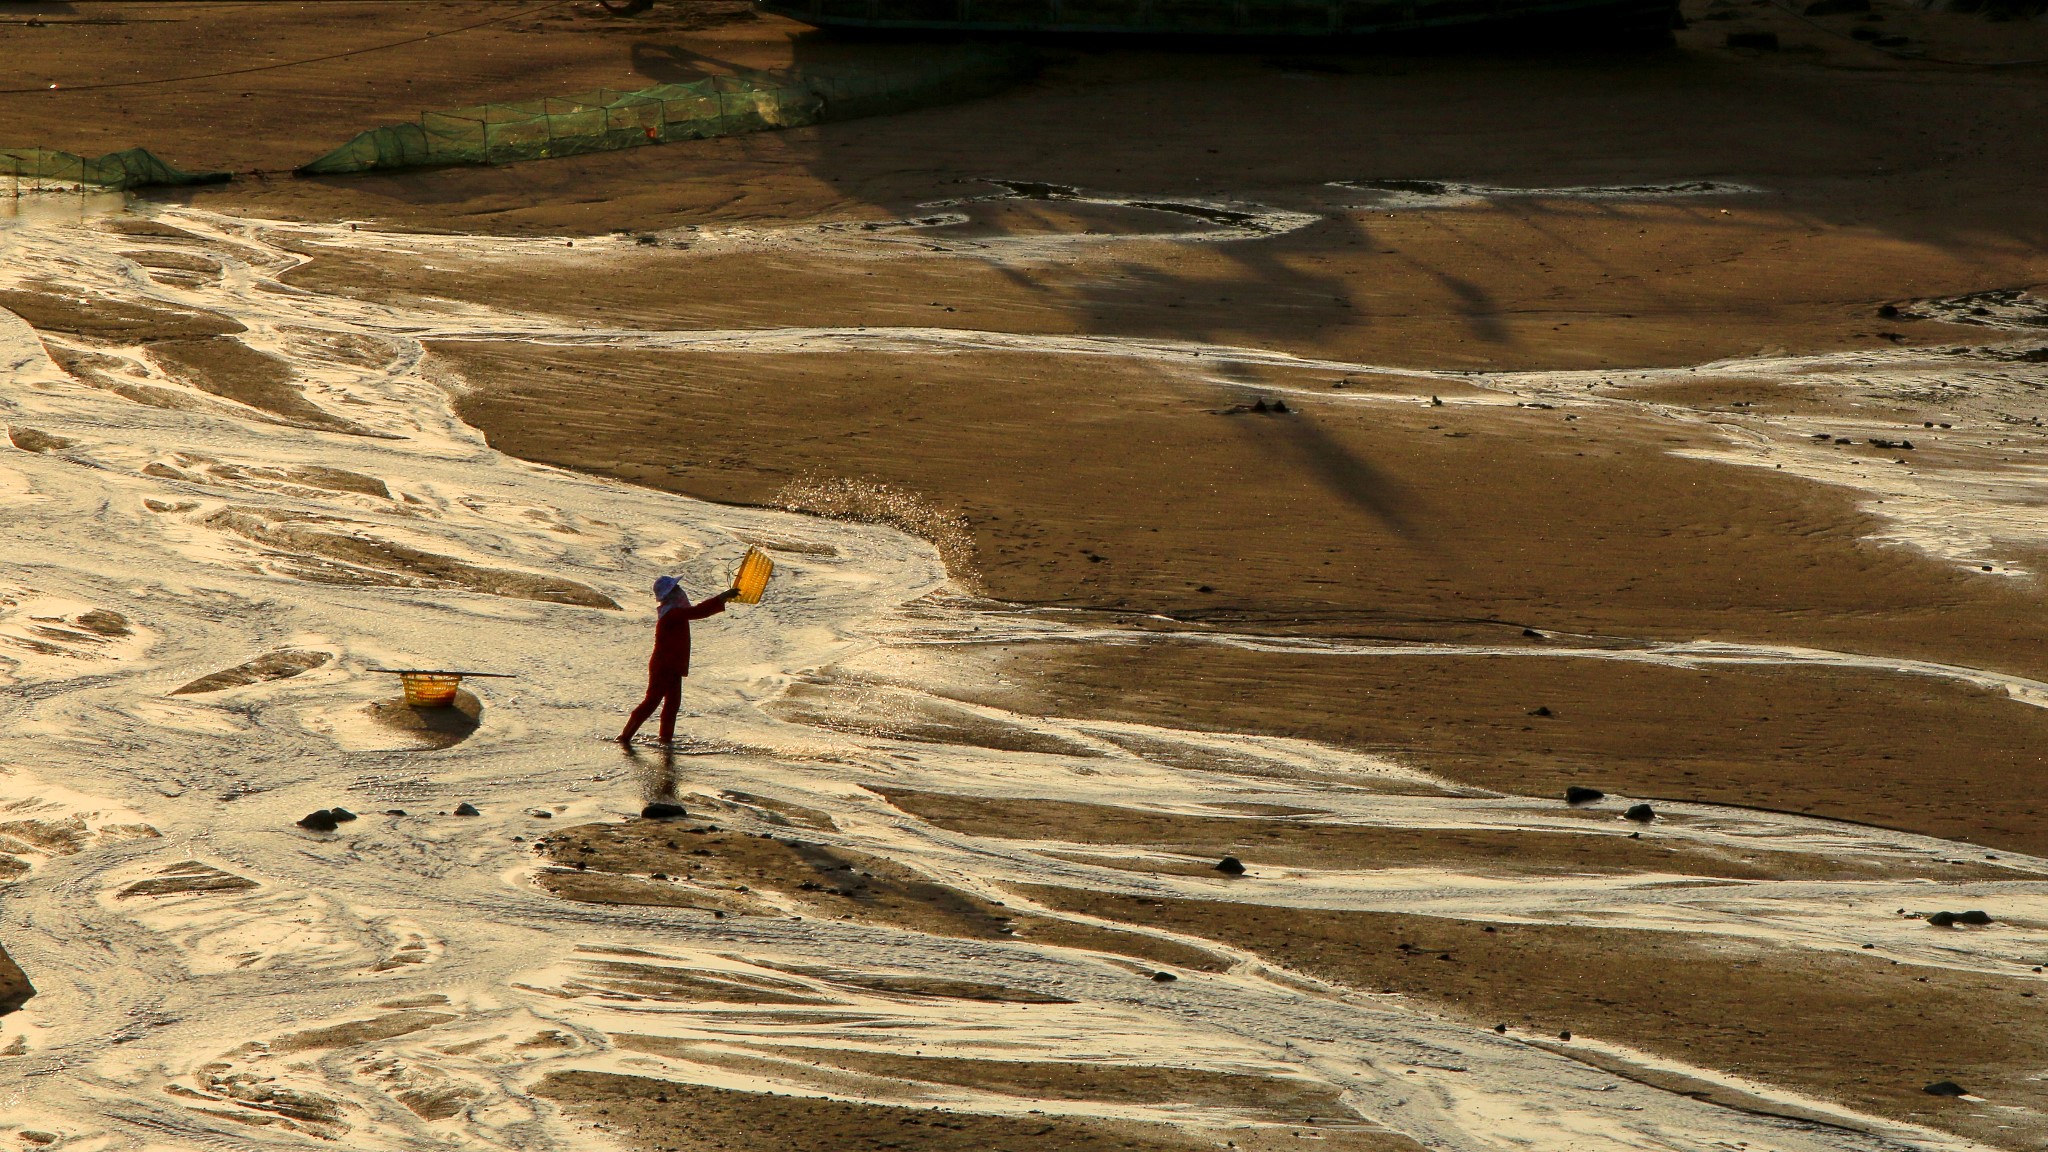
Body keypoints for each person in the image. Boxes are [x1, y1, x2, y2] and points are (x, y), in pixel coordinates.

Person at [618, 575, 737, 746]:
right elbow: (697, 612)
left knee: (672, 705)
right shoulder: (673, 613)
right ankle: (625, 737)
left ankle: (665, 740)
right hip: (663, 666)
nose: (681, 592)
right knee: (652, 702)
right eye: (677, 589)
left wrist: (721, 599)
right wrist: (721, 598)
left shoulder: (672, 611)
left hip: (672, 666)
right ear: (671, 594)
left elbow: (695, 612)